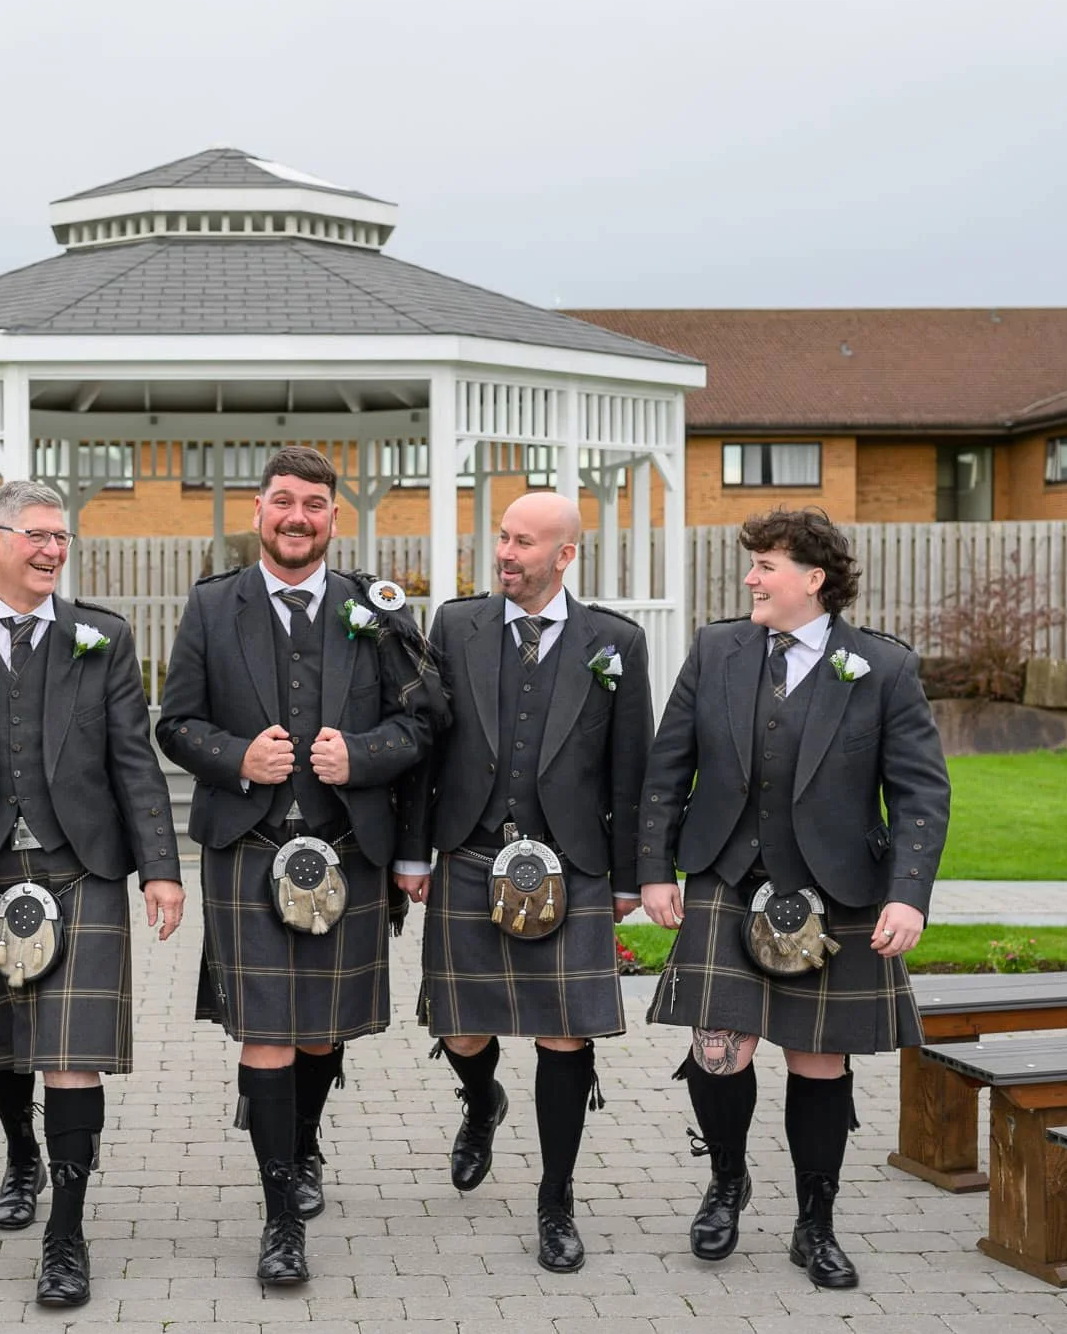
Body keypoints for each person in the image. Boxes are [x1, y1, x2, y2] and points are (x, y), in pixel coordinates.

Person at [636, 506, 949, 1290]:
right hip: (726, 874)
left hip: (834, 888)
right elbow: (668, 767)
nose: (750, 578)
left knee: (818, 1060)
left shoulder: (881, 667)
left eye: (765, 566)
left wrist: (908, 894)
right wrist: (653, 869)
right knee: (717, 1048)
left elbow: (920, 792)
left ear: (812, 579)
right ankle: (726, 1181)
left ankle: (816, 1221)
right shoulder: (716, 649)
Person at [156, 445, 442, 1286]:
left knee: (320, 1029)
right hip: (247, 847)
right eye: (283, 500)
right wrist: (238, 755)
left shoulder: (375, 608)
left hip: (346, 845)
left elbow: (426, 721)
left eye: (314, 504)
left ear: (333, 518)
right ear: (258, 510)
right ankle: (280, 1216)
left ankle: (305, 1140)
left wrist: (363, 754)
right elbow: (175, 723)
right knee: (267, 1029)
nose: (297, 517)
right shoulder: (213, 605)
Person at [0, 479, 183, 1308]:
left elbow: (133, 756)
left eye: (62, 537)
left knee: (70, 1047)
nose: (54, 550)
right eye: (38, 535)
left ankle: (66, 1230)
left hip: (81, 863)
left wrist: (161, 865)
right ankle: (21, 1148)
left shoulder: (103, 635)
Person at [393, 491, 651, 1273]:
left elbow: (632, 767)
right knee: (459, 1027)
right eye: (503, 537)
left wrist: (632, 874)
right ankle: (482, 1099)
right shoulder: (456, 624)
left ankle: (556, 1198)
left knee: (564, 1032)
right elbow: (427, 746)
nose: (505, 552)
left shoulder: (616, 641)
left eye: (524, 542)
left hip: (572, 864)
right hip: (471, 851)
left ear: (564, 555)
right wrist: (413, 852)